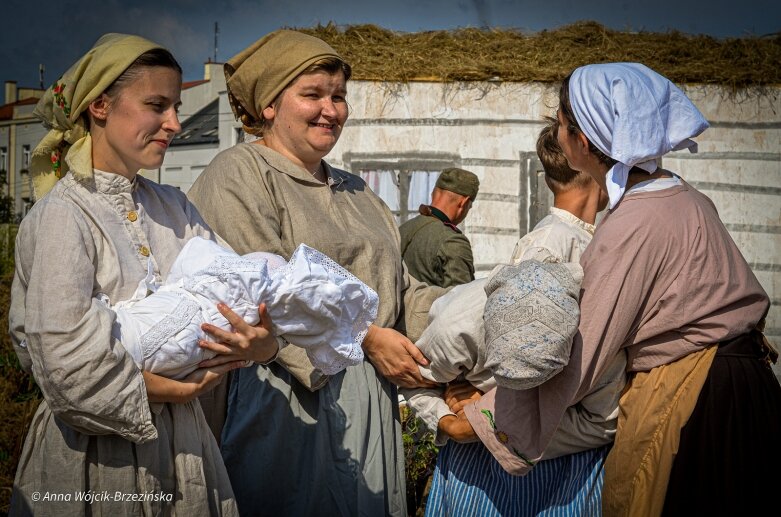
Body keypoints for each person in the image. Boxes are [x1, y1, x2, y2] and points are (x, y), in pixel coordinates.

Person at [448, 62, 781, 517]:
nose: (557, 132)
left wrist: (481, 422)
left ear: (580, 143)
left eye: (561, 124)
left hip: (696, 401)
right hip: (749, 389)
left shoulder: (631, 224)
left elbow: (580, 356)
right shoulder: (684, 197)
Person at [8, 33, 279, 516]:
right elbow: (68, 368)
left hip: (187, 450)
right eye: (157, 105)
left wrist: (260, 342)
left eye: (175, 106)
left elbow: (239, 293)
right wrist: (177, 388)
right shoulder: (61, 217)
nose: (174, 123)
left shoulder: (174, 207)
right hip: (95, 458)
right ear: (100, 106)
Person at [186, 29, 442, 517]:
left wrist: (472, 311)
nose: (331, 109)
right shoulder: (239, 174)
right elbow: (266, 297)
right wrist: (366, 338)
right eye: (313, 95)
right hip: (282, 400)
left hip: (370, 394)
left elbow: (400, 289)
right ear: (268, 105)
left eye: (339, 96)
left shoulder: (356, 190)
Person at [401, 120, 624, 516]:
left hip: (538, 456)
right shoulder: (551, 248)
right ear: (592, 164)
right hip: (524, 473)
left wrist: (476, 418)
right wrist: (455, 420)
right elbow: (452, 339)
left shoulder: (583, 243)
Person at [110, 237, 378, 379]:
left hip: (181, 371)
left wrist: (266, 346)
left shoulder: (174, 203)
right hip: (119, 366)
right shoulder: (233, 175)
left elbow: (200, 252)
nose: (174, 128)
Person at [399, 167, 480, 287]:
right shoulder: (453, 241)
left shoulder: (402, 230)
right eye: (469, 207)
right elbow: (462, 300)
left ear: (433, 193)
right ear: (464, 202)